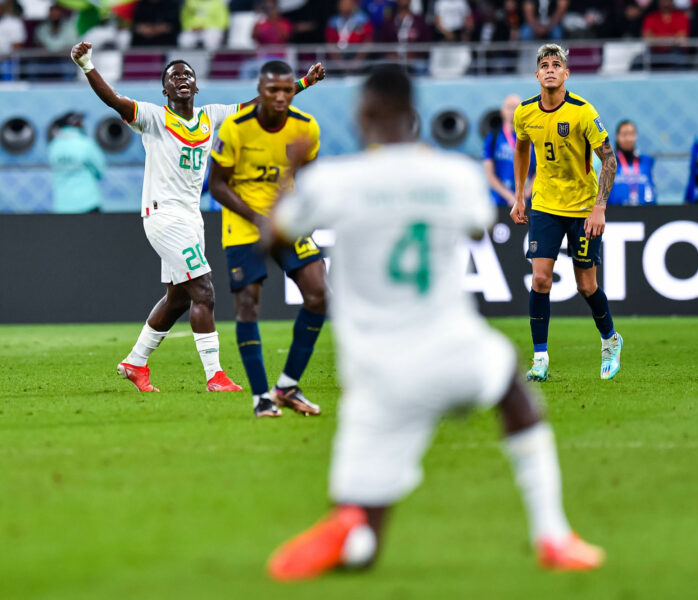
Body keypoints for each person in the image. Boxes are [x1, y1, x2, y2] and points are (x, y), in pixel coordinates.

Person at [265, 64, 605, 581]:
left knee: (363, 524)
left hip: (376, 372)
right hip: (452, 349)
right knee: (512, 388)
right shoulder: (453, 176)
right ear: (412, 114)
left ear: (365, 114)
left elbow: (274, 236)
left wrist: (289, 179)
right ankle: (553, 535)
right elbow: (477, 227)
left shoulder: (335, 180)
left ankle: (353, 536)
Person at [69, 41, 326, 393]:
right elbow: (114, 100)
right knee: (204, 290)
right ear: (165, 90)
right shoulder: (153, 118)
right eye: (173, 76)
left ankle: (135, 362)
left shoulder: (210, 116)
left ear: (196, 85)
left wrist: (303, 83)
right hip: (164, 216)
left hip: (191, 217)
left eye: (187, 74)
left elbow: (257, 106)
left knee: (179, 297)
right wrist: (86, 64)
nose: (182, 78)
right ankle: (215, 376)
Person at [208, 60, 327, 419]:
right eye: (273, 89)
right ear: (260, 91)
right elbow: (217, 185)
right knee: (248, 303)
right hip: (244, 222)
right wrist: (258, 218)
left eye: (287, 90)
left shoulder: (305, 127)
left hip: (286, 220)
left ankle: (287, 386)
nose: (280, 96)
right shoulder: (235, 128)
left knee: (318, 294)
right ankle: (262, 397)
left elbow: (310, 179)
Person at [510, 43, 622, 382]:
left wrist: (599, 208)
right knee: (541, 279)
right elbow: (521, 148)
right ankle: (540, 359)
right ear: (536, 75)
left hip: (583, 207)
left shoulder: (582, 111)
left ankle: (610, 340)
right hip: (545, 204)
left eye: (556, 65)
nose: (550, 69)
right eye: (544, 65)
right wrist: (519, 196)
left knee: (586, 285)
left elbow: (610, 160)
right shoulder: (524, 112)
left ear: (566, 74)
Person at [48, 112, 107, 213]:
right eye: (80, 122)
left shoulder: (53, 146)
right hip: (88, 203)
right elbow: (101, 171)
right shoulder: (86, 144)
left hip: (62, 205)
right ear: (76, 124)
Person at [482, 94, 535, 207]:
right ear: (502, 111)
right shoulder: (493, 138)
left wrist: (526, 193)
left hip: (528, 202)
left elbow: (542, 169)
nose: (512, 111)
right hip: (500, 202)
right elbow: (489, 174)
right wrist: (509, 196)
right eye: (509, 107)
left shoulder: (533, 138)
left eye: (516, 107)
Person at [607, 120, 656, 206]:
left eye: (631, 134)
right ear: (617, 137)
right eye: (624, 135)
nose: (628, 139)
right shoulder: (609, 162)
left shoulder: (646, 161)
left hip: (644, 210)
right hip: (614, 211)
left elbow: (652, 189)